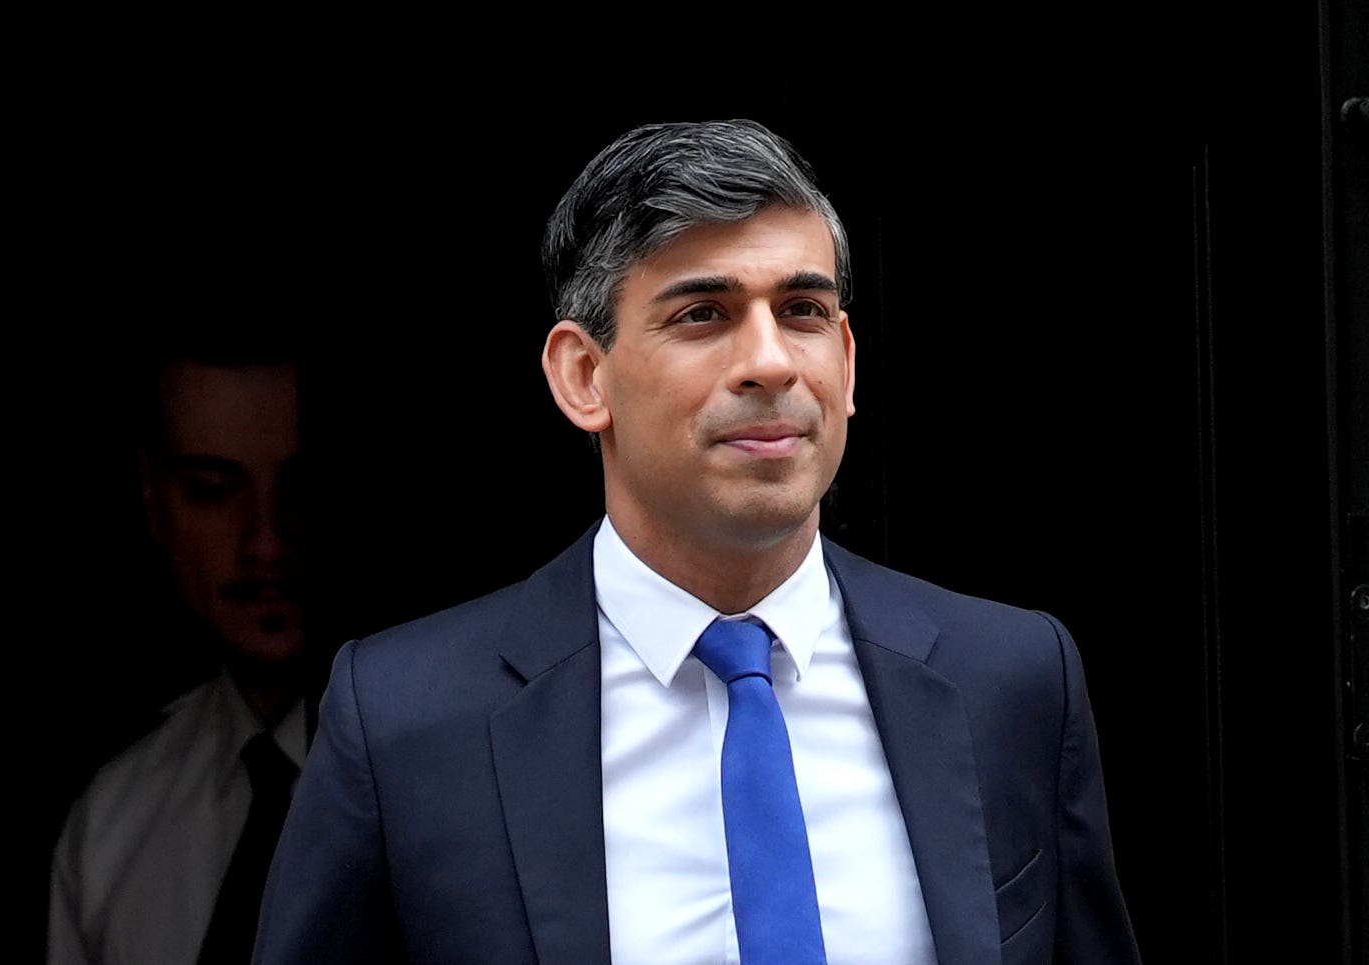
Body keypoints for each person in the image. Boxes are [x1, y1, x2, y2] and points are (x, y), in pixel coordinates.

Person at [254, 119, 1140, 964]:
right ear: (583, 375)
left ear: (849, 363)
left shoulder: (1013, 680)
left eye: (801, 309)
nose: (771, 361)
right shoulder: (407, 719)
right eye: (703, 314)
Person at [49, 348, 309, 965]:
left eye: (303, 484)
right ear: (151, 498)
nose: (266, 541)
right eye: (213, 490)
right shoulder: (109, 828)